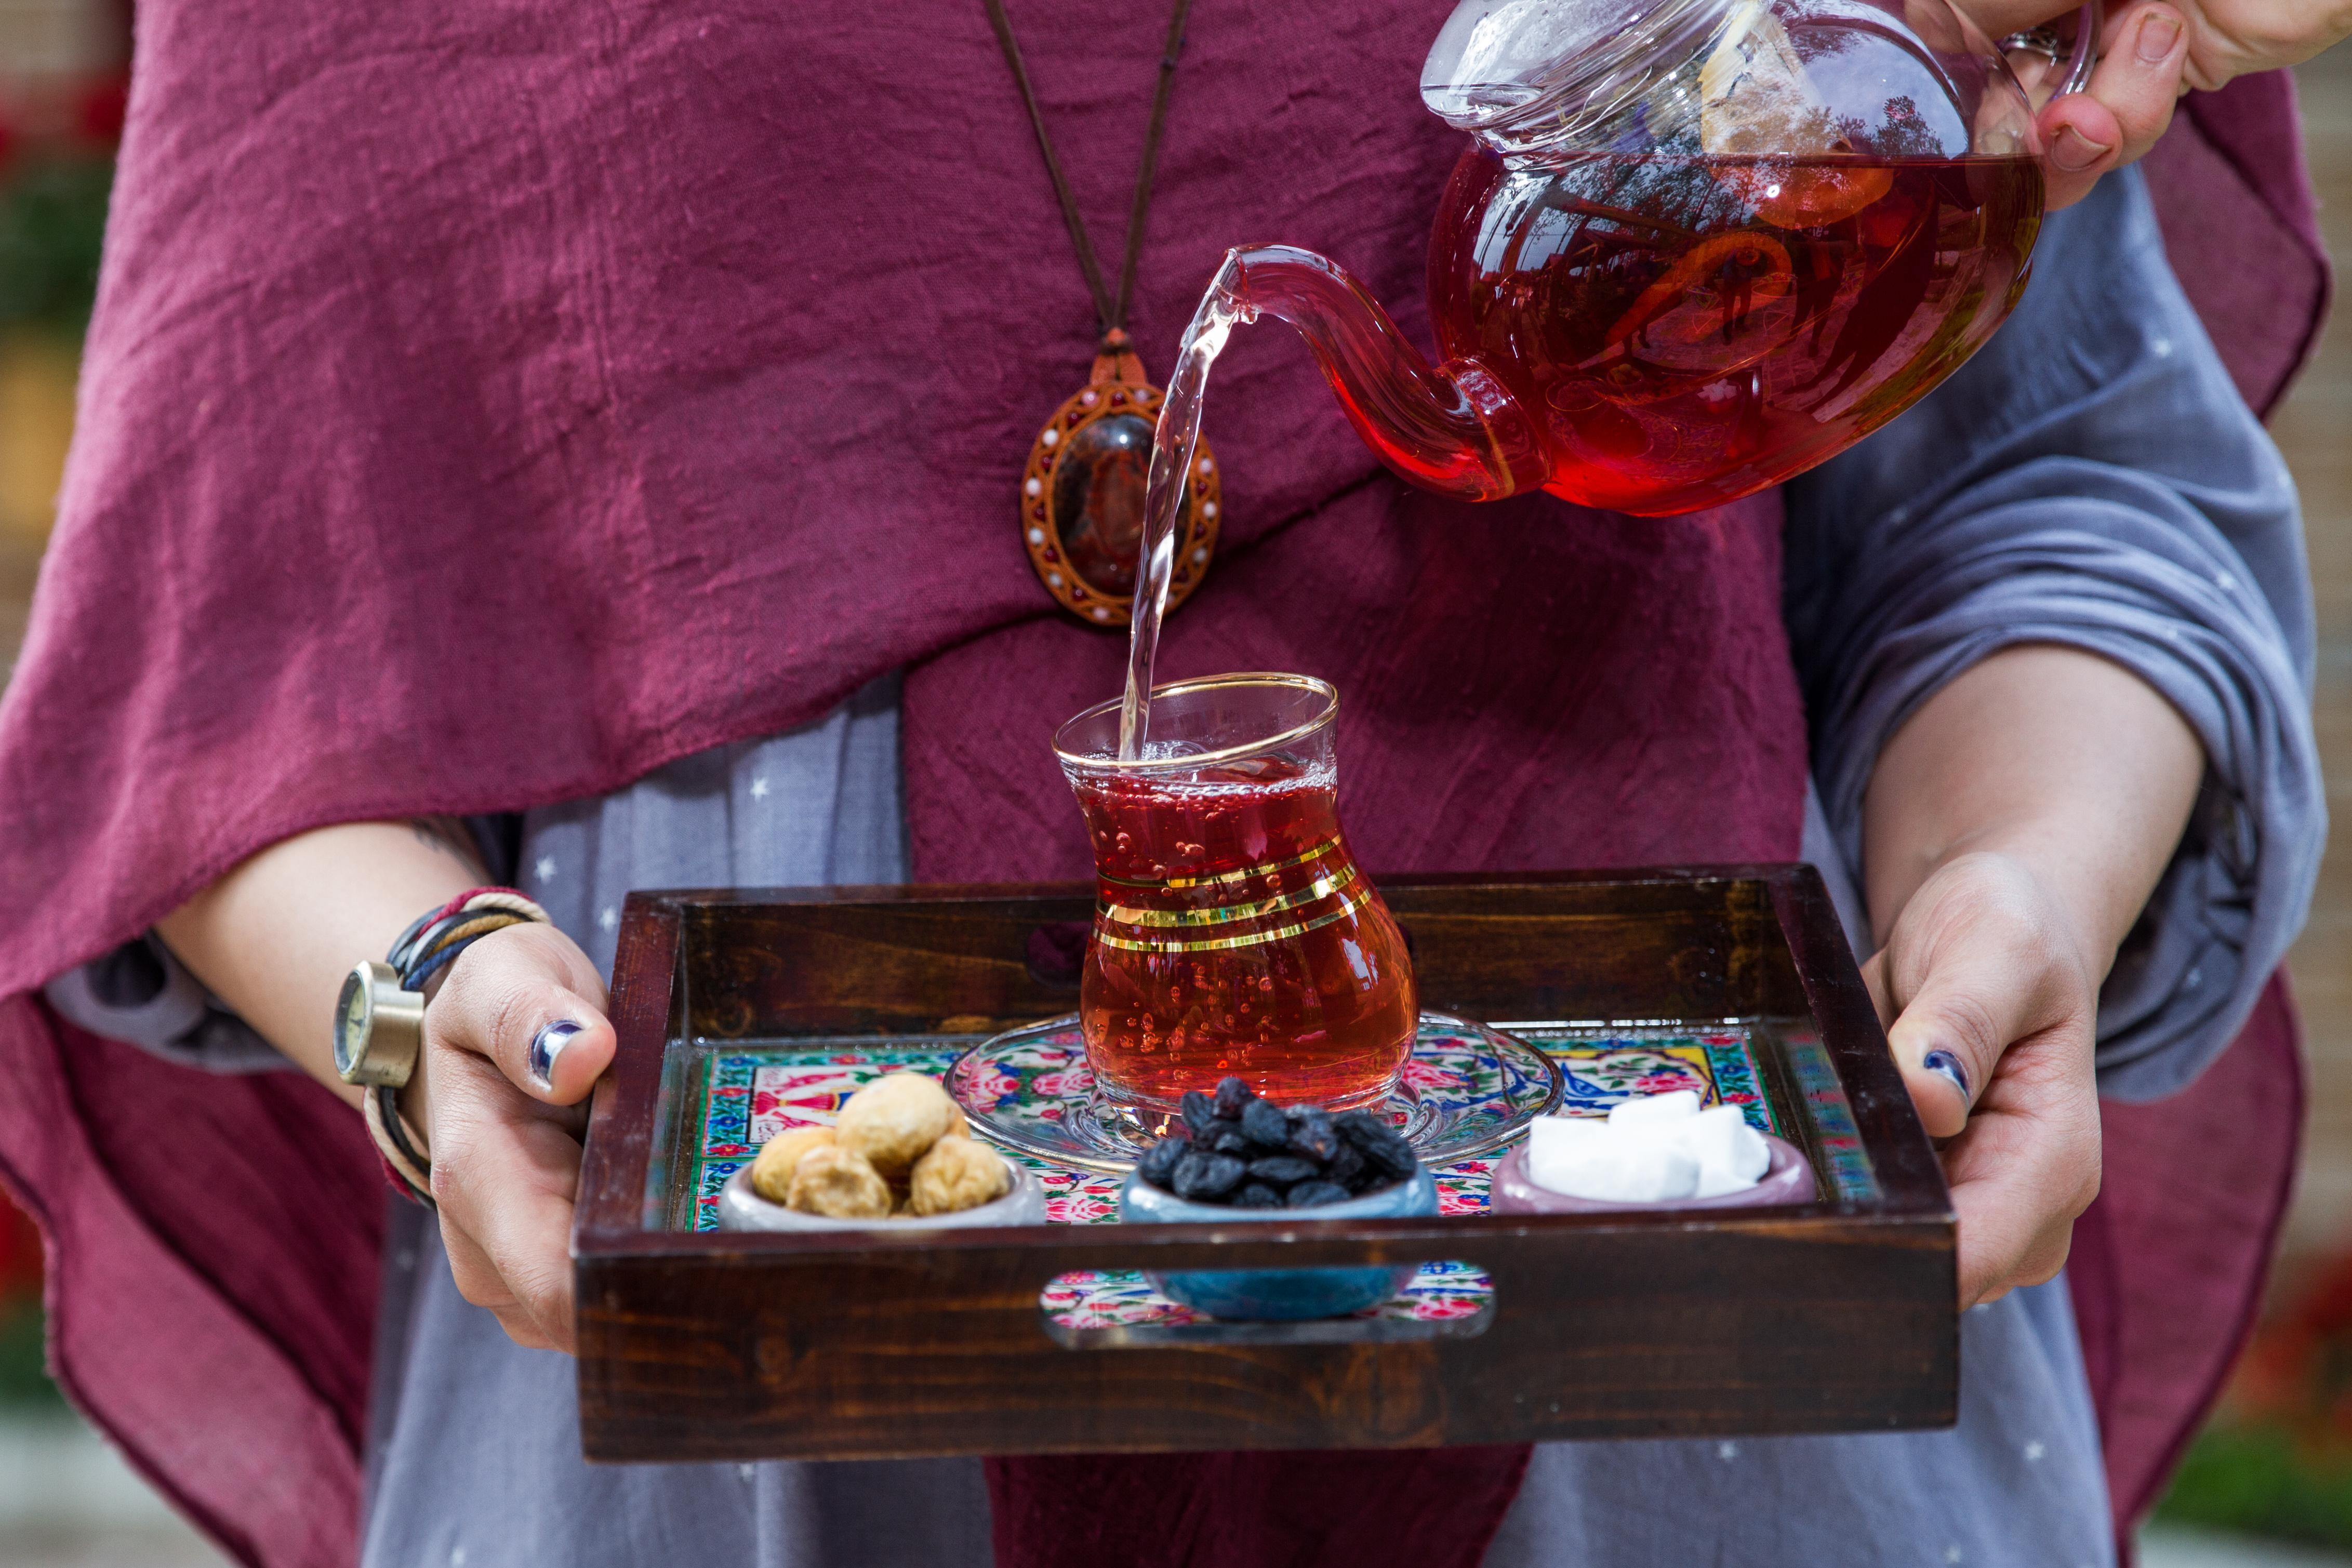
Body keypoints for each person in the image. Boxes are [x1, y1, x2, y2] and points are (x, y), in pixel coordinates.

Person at [0, 3, 2325, 1566]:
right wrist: (432, 1002)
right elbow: (226, 655)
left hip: (1694, 1375)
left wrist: (2008, 894)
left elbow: (2051, 502)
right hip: (752, 1403)